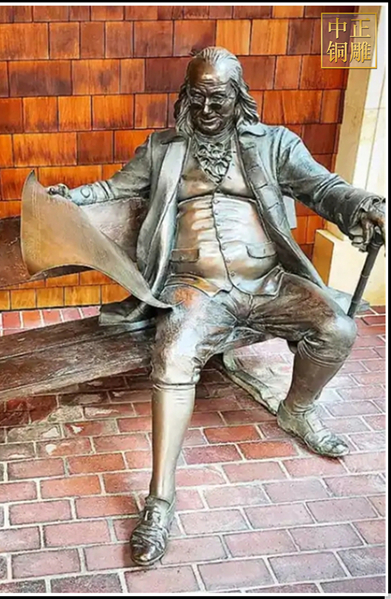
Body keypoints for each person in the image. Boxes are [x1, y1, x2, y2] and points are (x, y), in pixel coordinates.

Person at [47, 47, 386, 566]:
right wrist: (68, 199)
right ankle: (160, 500)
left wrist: (366, 205)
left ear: (238, 96)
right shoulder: (162, 149)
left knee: (336, 328)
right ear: (185, 96)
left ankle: (296, 411)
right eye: (198, 98)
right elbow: (112, 189)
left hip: (267, 282)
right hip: (195, 287)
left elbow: (324, 188)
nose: (207, 110)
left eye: (219, 98)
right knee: (172, 359)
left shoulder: (274, 144)